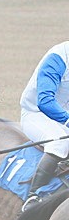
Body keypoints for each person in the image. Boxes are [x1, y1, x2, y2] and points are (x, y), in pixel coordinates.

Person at [19, 41, 69, 210]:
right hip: (36, 114)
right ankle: (34, 196)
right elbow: (45, 101)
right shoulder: (58, 58)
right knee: (60, 142)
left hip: (64, 117)